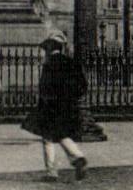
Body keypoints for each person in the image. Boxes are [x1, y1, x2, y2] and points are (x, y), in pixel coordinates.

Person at [31, 31, 89, 182]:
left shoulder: (49, 64)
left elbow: (44, 87)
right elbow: (82, 85)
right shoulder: (71, 63)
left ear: (50, 49)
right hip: (68, 105)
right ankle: (78, 157)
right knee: (62, 134)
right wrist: (72, 97)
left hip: (51, 106)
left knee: (48, 138)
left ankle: (51, 172)